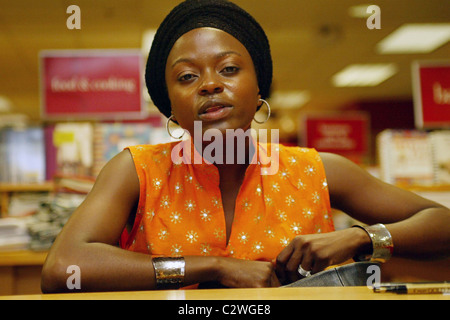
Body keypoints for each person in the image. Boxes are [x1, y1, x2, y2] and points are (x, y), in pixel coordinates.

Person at [41, 0, 450, 293]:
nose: (209, 84)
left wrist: (362, 238)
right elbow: (63, 268)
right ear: (170, 106)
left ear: (258, 88)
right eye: (186, 77)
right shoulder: (135, 171)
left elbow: (440, 223)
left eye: (230, 69)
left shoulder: (317, 169)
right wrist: (216, 267)